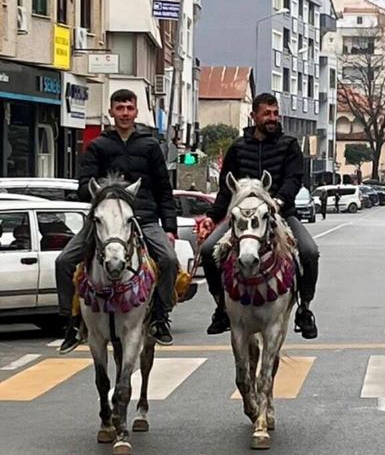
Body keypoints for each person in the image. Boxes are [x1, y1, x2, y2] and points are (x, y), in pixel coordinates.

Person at [57, 89, 179, 354]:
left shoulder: (150, 146)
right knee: (64, 261)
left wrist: (169, 228)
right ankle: (73, 321)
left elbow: (163, 190)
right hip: (104, 222)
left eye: (129, 108)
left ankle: (160, 316)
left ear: (136, 112)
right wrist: (103, 193)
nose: (125, 113)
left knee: (169, 260)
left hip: (143, 218)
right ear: (111, 112)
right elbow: (82, 186)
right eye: (120, 108)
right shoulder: (98, 146)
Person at [197, 93, 320, 339]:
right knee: (209, 251)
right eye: (267, 114)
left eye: (275, 113)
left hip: (280, 213)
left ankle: (304, 309)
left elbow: (294, 179)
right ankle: (221, 307)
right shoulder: (238, 148)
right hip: (242, 216)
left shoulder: (289, 145)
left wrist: (279, 201)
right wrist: (213, 217)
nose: (272, 118)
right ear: (254, 116)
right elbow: (225, 188)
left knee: (309, 252)